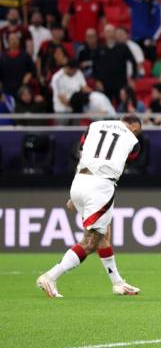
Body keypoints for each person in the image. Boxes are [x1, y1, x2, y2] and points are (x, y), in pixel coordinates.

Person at [37, 114, 143, 298]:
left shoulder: (95, 125)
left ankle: (117, 283)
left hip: (79, 181)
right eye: (138, 132)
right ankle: (50, 276)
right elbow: (132, 156)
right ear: (133, 128)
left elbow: (83, 149)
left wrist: (76, 196)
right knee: (91, 242)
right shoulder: (132, 139)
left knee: (104, 233)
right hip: (100, 186)